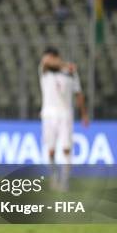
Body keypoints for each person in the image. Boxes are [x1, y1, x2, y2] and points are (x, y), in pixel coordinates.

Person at [39, 47, 89, 191]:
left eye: (51, 57)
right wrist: (65, 65)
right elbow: (46, 62)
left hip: (65, 114)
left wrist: (84, 113)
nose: (48, 60)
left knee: (66, 148)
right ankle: (54, 176)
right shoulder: (45, 71)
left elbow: (78, 93)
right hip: (48, 115)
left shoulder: (70, 73)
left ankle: (65, 181)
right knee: (51, 151)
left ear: (57, 56)